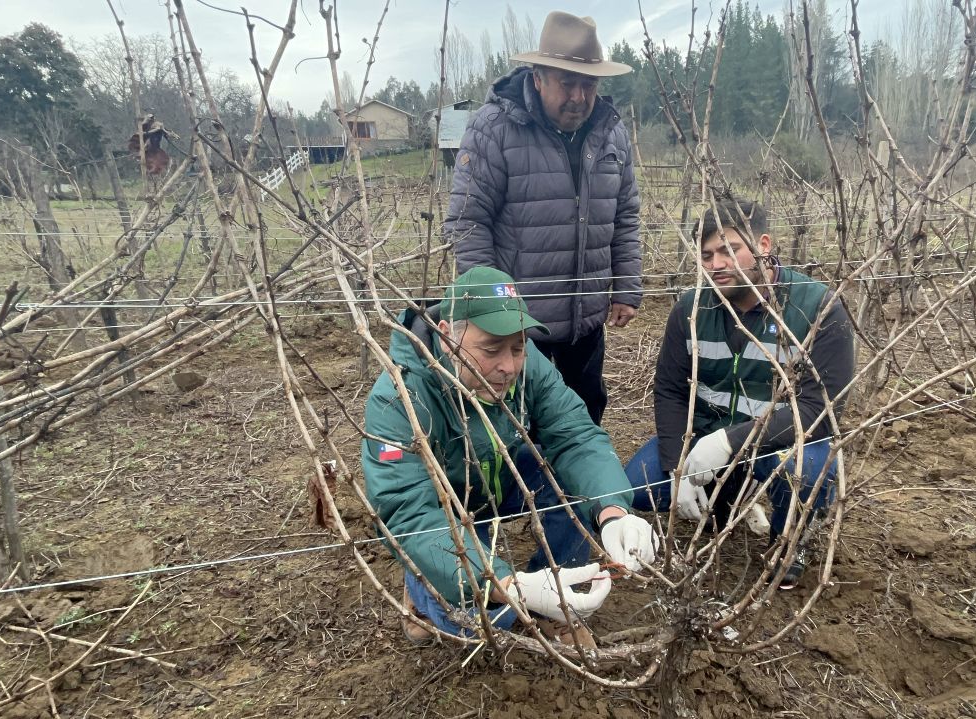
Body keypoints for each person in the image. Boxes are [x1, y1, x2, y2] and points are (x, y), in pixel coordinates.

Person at [363, 267, 657, 645]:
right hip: (445, 505)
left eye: (518, 347)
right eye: (491, 349)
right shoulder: (398, 397)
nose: (509, 365)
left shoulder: (525, 362)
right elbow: (407, 510)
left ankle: (556, 592)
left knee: (563, 474)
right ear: (446, 335)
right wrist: (506, 584)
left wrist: (614, 511)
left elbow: (575, 436)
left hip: (504, 476)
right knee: (481, 621)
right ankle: (428, 588)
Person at [624, 199, 855, 587]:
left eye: (730, 250)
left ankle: (790, 540)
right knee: (637, 489)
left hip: (779, 442)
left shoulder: (818, 307)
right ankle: (725, 503)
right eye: (707, 255)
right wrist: (675, 464)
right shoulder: (691, 309)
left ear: (763, 246)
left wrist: (730, 443)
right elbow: (669, 389)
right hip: (703, 436)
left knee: (808, 472)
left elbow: (822, 409)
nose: (716, 264)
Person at [445, 10, 641, 425]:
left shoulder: (611, 132)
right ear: (537, 77)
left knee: (585, 414)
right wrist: (497, 311)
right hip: (520, 328)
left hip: (585, 321)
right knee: (521, 425)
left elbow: (624, 216)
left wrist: (626, 287)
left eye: (588, 84)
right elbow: (468, 222)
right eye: (566, 83)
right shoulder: (494, 128)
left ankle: (580, 490)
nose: (578, 96)